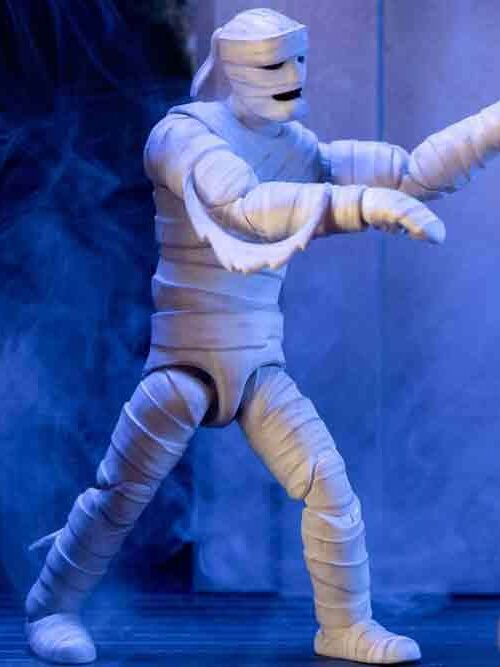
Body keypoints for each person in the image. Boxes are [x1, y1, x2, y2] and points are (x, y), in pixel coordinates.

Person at [25, 8, 500, 665]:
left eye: (299, 60)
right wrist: (357, 205)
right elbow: (243, 207)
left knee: (328, 485)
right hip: (183, 361)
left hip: (256, 367)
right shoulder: (182, 136)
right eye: (276, 63)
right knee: (119, 496)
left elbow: (412, 173)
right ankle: (52, 605)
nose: (293, 75)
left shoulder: (297, 149)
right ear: (233, 68)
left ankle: (345, 625)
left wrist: (489, 125)